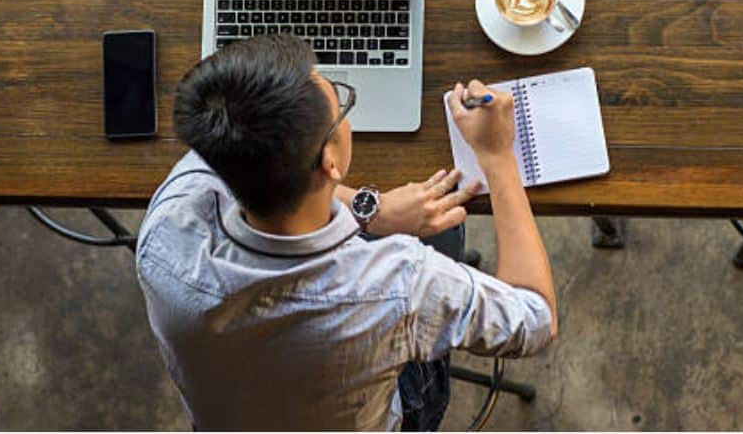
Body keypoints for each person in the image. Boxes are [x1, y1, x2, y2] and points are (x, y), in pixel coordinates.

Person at [135, 34, 557, 430]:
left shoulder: (166, 229)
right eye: (341, 105)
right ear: (330, 162)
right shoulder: (400, 283)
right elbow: (536, 319)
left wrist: (371, 211)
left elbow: (235, 161)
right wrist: (496, 155)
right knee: (445, 234)